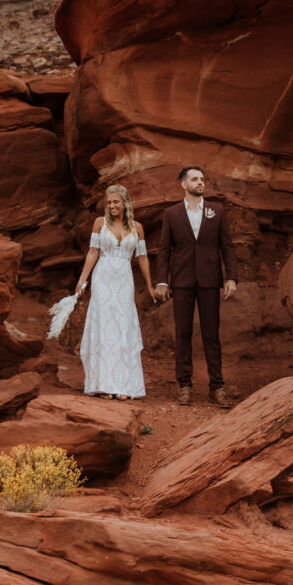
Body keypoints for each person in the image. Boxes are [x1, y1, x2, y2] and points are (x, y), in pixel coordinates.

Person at [155, 166, 237, 408]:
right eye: (194, 179)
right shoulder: (171, 213)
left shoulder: (217, 211)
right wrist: (162, 281)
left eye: (202, 179)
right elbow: (163, 250)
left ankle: (216, 387)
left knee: (211, 333)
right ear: (184, 184)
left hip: (210, 280)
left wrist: (231, 277)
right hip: (181, 281)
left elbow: (227, 247)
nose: (200, 183)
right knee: (182, 333)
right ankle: (185, 386)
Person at [76, 184, 155, 400]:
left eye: (115, 202)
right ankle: (102, 383)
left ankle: (122, 384)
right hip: (103, 277)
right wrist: (83, 279)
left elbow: (143, 257)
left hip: (124, 280)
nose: (112, 205)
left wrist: (149, 285)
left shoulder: (137, 227)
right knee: (104, 326)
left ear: (125, 203)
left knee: (122, 327)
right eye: (109, 202)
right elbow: (93, 252)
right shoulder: (99, 223)